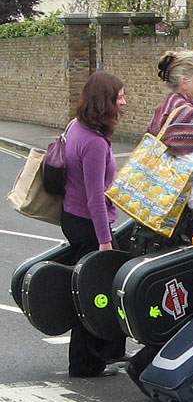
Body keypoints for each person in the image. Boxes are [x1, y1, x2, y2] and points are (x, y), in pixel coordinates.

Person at [125, 49, 193, 392]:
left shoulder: (168, 107)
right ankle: (154, 369)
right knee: (191, 300)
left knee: (177, 299)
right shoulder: (190, 116)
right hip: (188, 224)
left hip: (165, 220)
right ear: (184, 80)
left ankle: (155, 368)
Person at [62, 71, 128, 378]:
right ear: (106, 101)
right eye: (119, 96)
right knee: (92, 294)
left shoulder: (76, 127)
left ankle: (102, 354)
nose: (124, 102)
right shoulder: (94, 144)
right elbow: (95, 199)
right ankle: (86, 363)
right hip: (89, 225)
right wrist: (105, 242)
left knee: (88, 291)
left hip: (73, 219)